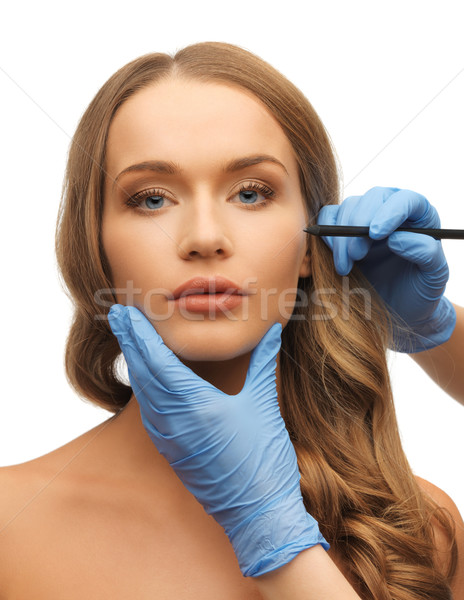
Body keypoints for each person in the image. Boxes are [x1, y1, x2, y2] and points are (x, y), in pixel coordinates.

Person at [0, 42, 462, 599]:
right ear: (94, 248)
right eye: (151, 200)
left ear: (316, 245)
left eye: (250, 193)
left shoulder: (418, 529)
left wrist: (272, 531)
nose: (203, 238)